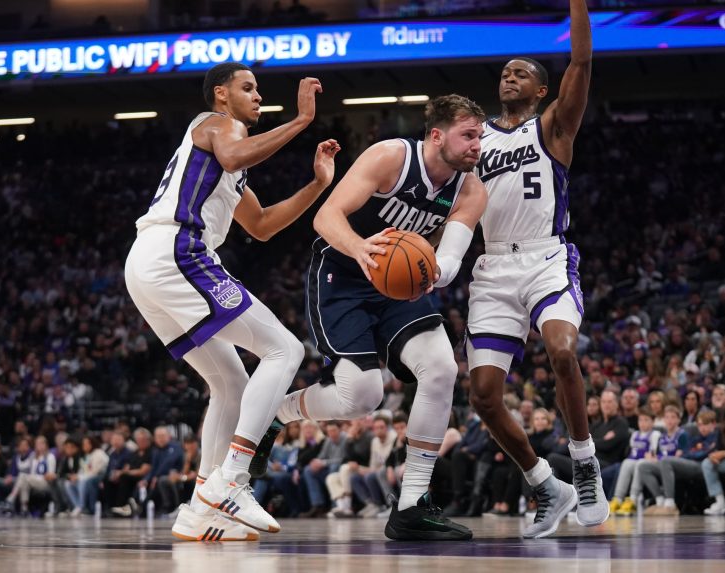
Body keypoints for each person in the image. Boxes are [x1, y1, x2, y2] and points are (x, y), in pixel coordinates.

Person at [124, 62, 339, 541]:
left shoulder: (225, 162)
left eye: (258, 88)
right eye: (248, 88)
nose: (258, 95)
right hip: (178, 252)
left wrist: (319, 185)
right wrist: (302, 121)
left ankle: (201, 508)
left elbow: (261, 226)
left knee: (231, 384)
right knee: (286, 350)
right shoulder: (214, 125)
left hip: (150, 264)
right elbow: (236, 154)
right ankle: (233, 479)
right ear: (221, 95)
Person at [270, 94, 488, 541]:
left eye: (480, 137)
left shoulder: (471, 189)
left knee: (443, 368)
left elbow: (450, 258)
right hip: (344, 273)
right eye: (468, 135)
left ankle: (411, 504)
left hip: (399, 285)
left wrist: (436, 271)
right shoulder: (391, 156)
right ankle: (279, 412)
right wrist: (362, 249)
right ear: (436, 135)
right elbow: (327, 217)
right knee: (363, 395)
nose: (476, 146)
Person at [465, 0, 603, 538]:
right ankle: (547, 484)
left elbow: (583, 64)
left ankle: (584, 460)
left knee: (563, 352)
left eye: (521, 72)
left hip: (546, 256)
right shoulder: (475, 139)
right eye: (504, 72)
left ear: (542, 89)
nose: (509, 76)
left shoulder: (554, 127)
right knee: (482, 396)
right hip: (492, 265)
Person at [609, 408, 660, 516]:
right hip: (635, 461)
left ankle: (633, 498)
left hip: (648, 462)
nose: (643, 423)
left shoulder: (655, 434)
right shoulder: (635, 434)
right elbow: (632, 452)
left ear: (653, 422)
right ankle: (618, 498)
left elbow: (653, 453)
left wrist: (649, 456)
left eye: (646, 420)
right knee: (626, 462)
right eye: (641, 420)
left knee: (639, 464)